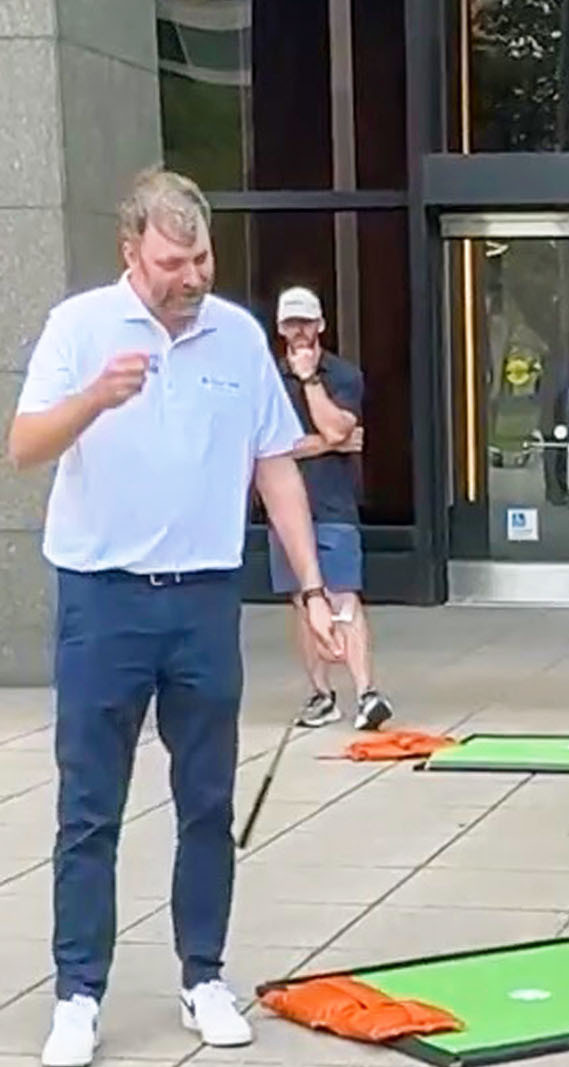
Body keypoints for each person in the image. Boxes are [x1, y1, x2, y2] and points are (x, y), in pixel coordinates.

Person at [6, 167, 342, 1066]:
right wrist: (93, 400)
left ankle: (204, 975)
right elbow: (22, 445)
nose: (191, 276)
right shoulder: (80, 328)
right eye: (171, 261)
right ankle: (77, 993)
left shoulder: (235, 338)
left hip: (203, 599)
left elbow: (277, 466)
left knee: (207, 798)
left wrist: (312, 589)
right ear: (131, 252)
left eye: (202, 257)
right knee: (89, 806)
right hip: (102, 597)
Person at [270, 285, 395, 731]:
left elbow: (338, 423)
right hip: (288, 508)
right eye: (290, 322)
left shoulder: (342, 375)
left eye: (305, 321)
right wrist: (328, 443)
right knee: (304, 603)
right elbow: (270, 447)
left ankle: (367, 692)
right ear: (281, 327)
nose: (299, 330)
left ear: (320, 324)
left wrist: (309, 381)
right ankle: (322, 694)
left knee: (344, 598)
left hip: (335, 505)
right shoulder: (267, 378)